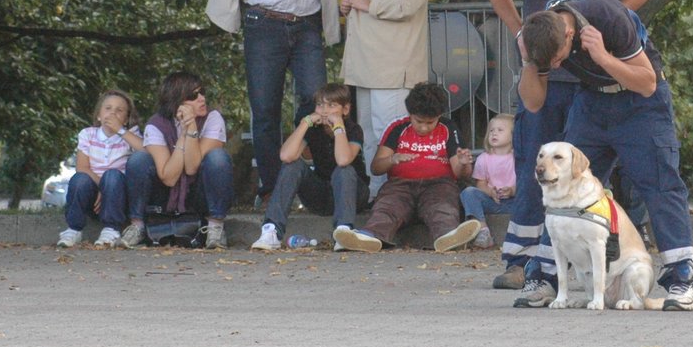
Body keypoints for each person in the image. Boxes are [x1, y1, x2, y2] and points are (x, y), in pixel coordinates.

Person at [484, 0, 655, 290]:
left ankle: (589, 260)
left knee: (586, 172)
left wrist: (617, 18)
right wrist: (521, 33)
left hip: (592, 84)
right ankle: (520, 261)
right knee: (535, 168)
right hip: (542, 77)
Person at [516, 0, 693, 311]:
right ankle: (545, 276)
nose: (556, 67)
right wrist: (529, 63)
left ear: (570, 34)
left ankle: (682, 277)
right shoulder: (539, 34)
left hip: (640, 105)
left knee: (659, 184)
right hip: (592, 103)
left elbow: (647, 83)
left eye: (558, 58)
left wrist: (601, 55)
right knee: (563, 181)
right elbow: (533, 103)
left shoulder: (607, 16)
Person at [193, 0, 365, 199]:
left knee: (320, 103)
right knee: (265, 108)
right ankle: (272, 188)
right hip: (264, 24)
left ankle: (329, 181)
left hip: (308, 26)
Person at [339, 0, 430, 199]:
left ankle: (396, 198)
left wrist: (369, 5)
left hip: (391, 68)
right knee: (368, 136)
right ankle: (377, 195)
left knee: (389, 136)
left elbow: (409, 4)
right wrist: (350, 5)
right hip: (366, 66)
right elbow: (362, 0)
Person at [333, 82, 480, 253]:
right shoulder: (398, 128)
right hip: (400, 185)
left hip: (439, 185)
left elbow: (460, 173)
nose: (424, 127)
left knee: (443, 209)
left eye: (430, 122)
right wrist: (392, 159)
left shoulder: (449, 128)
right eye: (418, 121)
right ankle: (368, 237)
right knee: (387, 208)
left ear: (439, 115)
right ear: (410, 114)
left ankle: (449, 237)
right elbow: (376, 168)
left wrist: (463, 163)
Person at [119, 72, 234, 249]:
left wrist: (192, 128)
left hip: (198, 192)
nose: (202, 98)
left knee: (218, 157)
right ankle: (137, 226)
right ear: (176, 102)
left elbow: (191, 167)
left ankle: (215, 228)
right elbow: (169, 177)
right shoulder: (156, 124)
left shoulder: (213, 118)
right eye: (193, 96)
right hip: (165, 193)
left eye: (202, 92)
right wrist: (183, 137)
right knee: (139, 159)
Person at [251, 84, 369, 250]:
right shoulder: (314, 129)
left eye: (332, 105)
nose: (324, 110)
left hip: (352, 193)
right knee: (293, 165)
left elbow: (343, 160)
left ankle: (344, 232)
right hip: (321, 194)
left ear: (346, 109)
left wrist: (338, 127)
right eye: (320, 105)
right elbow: (286, 156)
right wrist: (305, 123)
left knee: (344, 170)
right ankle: (271, 231)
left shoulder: (353, 129)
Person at [57, 89, 145, 248]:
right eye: (108, 108)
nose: (113, 113)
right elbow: (82, 167)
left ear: (126, 119)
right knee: (79, 179)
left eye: (119, 111)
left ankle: (111, 229)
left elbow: (145, 151)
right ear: (99, 115)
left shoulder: (130, 135)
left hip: (117, 196)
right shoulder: (88, 134)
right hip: (94, 195)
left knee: (112, 176)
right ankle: (74, 229)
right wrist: (102, 189)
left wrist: (121, 130)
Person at [460, 113, 517, 249]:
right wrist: (490, 192)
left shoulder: (518, 158)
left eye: (500, 130)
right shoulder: (483, 158)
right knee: (468, 193)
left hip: (514, 202)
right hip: (492, 201)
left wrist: (512, 190)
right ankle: (483, 231)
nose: (494, 134)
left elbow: (525, 182)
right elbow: (481, 184)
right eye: (491, 130)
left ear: (513, 135)